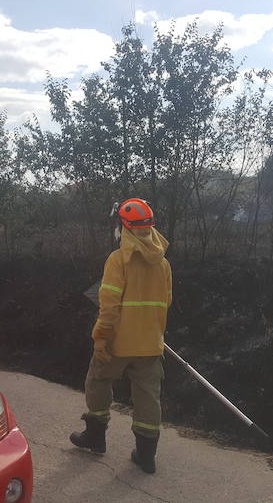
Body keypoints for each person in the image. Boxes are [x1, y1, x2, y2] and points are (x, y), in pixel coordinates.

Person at [70, 198, 172, 474]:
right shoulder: (163, 265)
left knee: (98, 381)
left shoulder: (118, 260)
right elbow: (165, 303)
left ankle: (95, 437)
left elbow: (109, 306)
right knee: (148, 397)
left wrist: (101, 337)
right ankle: (146, 456)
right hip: (151, 343)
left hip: (118, 342)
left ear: (124, 227)